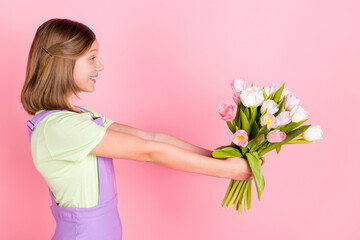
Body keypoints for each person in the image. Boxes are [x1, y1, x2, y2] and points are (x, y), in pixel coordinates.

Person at [21, 18, 254, 240]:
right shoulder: (59, 127)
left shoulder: (82, 116)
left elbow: (149, 137)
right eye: (91, 58)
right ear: (63, 61)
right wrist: (226, 171)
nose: (99, 65)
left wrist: (219, 157)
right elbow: (148, 151)